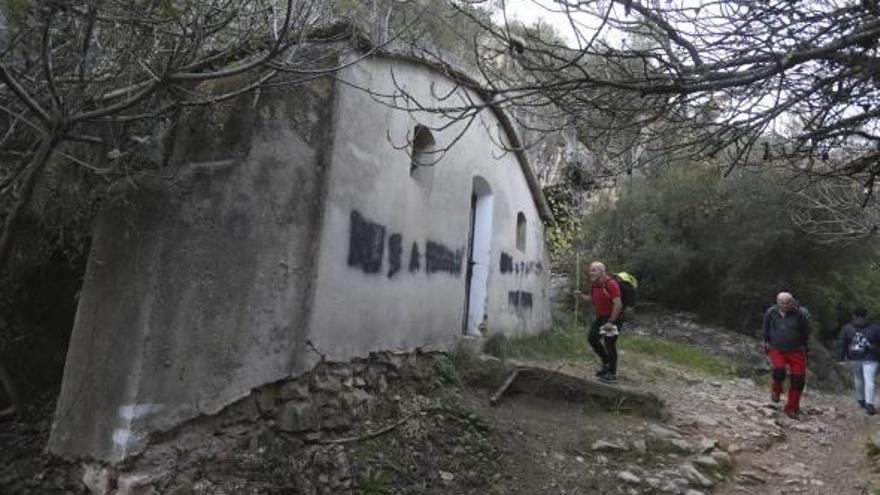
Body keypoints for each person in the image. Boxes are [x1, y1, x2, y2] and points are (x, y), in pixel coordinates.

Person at [763, 292, 810, 420]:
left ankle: (791, 408)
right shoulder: (771, 313)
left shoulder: (800, 315)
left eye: (787, 303)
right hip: (776, 348)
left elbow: (806, 332)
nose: (784, 305)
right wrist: (766, 343)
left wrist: (805, 348)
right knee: (779, 370)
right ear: (777, 302)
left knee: (798, 380)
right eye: (781, 303)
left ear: (792, 302)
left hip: (796, 350)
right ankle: (776, 391)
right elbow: (766, 330)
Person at [575, 261, 623, 383]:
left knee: (609, 344)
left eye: (594, 270)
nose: (590, 273)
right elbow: (592, 299)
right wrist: (581, 297)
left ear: (602, 271)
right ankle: (606, 363)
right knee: (592, 338)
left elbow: (618, 304)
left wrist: (611, 322)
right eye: (590, 270)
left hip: (613, 318)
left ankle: (611, 373)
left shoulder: (611, 284)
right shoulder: (595, 285)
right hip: (601, 318)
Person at [837, 308, 880, 415]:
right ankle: (869, 404)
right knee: (869, 379)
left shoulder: (847, 328)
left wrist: (840, 357)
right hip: (871, 357)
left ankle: (861, 400)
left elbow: (841, 343)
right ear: (867, 315)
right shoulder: (875, 328)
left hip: (853, 357)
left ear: (854, 316)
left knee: (858, 378)